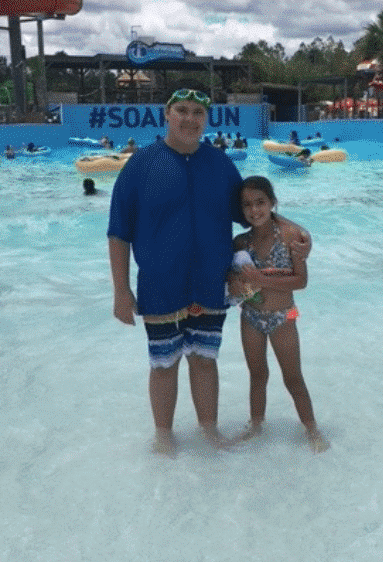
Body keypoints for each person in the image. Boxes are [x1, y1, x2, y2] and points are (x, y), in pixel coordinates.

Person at [108, 88, 309, 455]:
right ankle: (164, 435)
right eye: (182, 110)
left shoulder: (219, 165)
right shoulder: (140, 165)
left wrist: (298, 235)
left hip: (210, 284)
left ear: (206, 118)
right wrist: (121, 291)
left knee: (204, 360)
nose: (190, 119)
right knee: (163, 363)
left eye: (197, 112)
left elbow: (255, 213)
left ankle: (209, 431)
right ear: (167, 113)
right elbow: (119, 232)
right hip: (160, 285)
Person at [229, 175, 327, 451]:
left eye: (260, 202)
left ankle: (312, 429)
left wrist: (261, 280)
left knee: (293, 377)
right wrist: (236, 284)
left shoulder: (291, 236)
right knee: (257, 375)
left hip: (284, 316)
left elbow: (301, 281)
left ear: (272, 202)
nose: (254, 210)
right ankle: (255, 426)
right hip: (250, 316)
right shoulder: (240, 243)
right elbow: (232, 280)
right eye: (247, 205)